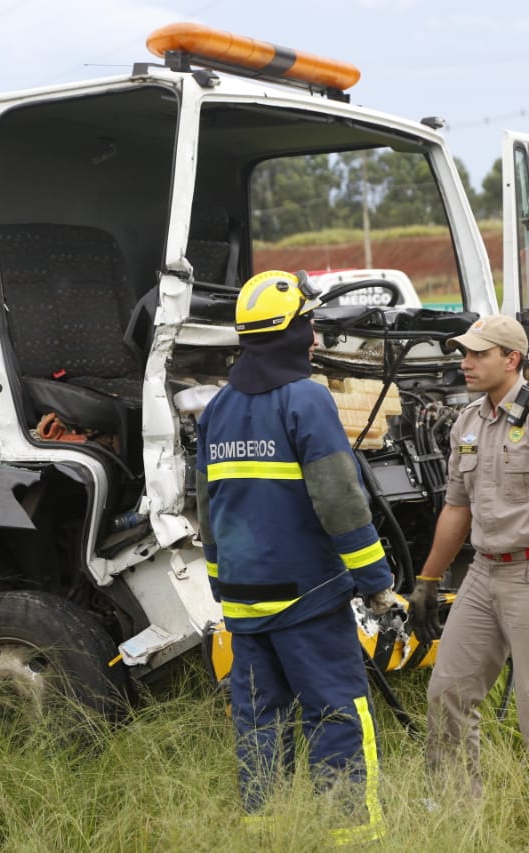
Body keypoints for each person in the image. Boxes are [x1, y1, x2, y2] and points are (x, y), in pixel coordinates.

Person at [195, 269, 397, 844]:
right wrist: (375, 581)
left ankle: (268, 832)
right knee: (337, 712)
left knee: (259, 722)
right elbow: (339, 498)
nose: (313, 338)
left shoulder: (218, 409)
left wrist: (220, 583)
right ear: (291, 332)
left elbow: (208, 507)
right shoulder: (306, 400)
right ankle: (351, 834)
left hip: (243, 600)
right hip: (306, 598)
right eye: (308, 325)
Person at [406, 314, 529, 835]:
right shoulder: (468, 420)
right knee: (447, 694)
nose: (464, 362)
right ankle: (458, 821)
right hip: (482, 576)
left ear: (511, 359)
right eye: (463, 353)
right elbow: (456, 508)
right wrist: (428, 580)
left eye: (477, 354)